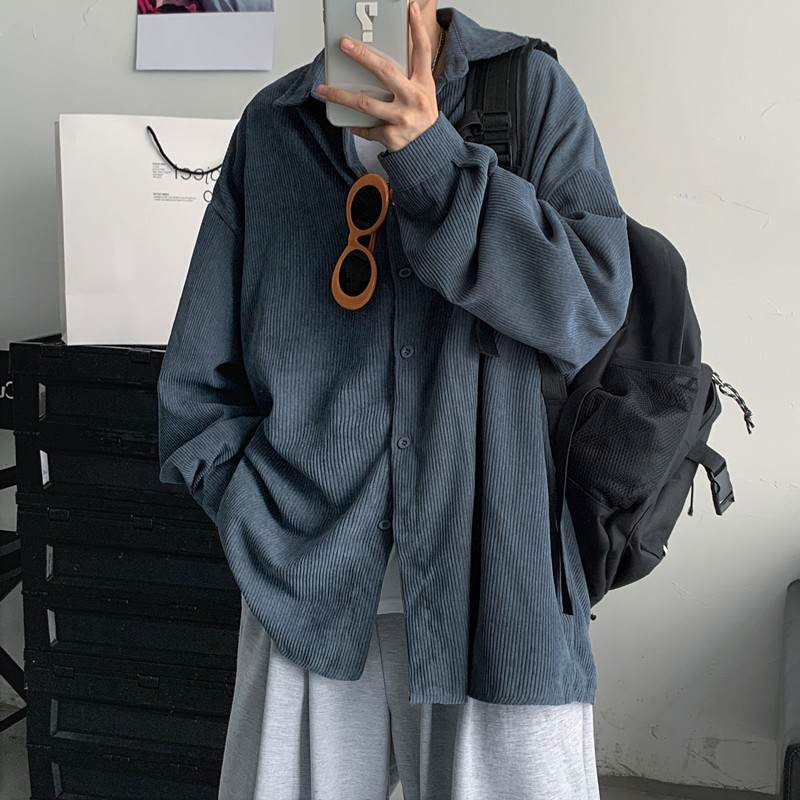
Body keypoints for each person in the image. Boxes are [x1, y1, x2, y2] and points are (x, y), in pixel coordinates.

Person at [157, 2, 632, 798]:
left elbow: (588, 305)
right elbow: (198, 379)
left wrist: (433, 160)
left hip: (499, 584)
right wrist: (251, 514)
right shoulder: (273, 127)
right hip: (301, 585)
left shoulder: (531, 92)